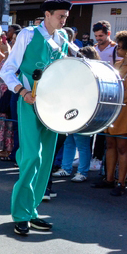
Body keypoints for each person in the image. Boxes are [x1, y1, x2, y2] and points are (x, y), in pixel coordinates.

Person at [0, 0, 72, 236]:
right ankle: (20, 213)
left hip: (52, 105)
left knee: (45, 161)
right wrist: (21, 91)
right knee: (31, 156)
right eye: (60, 16)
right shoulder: (28, 35)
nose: (64, 20)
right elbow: (7, 69)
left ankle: (31, 211)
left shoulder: (62, 38)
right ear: (47, 14)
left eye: (66, 17)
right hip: (29, 101)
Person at [89, 31, 127, 196]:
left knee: (122, 146)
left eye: (120, 46)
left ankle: (121, 182)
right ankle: (109, 179)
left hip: (125, 110)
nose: (117, 49)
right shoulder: (118, 65)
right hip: (113, 109)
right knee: (110, 144)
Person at [53, 45, 100, 182]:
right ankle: (65, 168)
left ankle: (82, 172)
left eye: (82, 57)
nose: (78, 59)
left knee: (82, 143)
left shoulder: (94, 73)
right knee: (68, 141)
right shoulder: (74, 72)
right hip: (71, 110)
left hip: (85, 112)